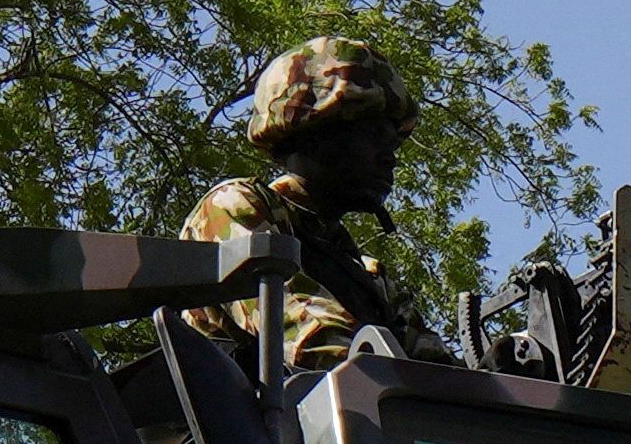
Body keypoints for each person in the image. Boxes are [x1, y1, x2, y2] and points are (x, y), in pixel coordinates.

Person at [184, 37, 448, 380]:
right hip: (244, 432)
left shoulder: (369, 277)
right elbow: (306, 334)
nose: (390, 158)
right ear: (311, 129)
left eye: (393, 144)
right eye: (372, 137)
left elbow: (439, 373)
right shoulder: (233, 208)